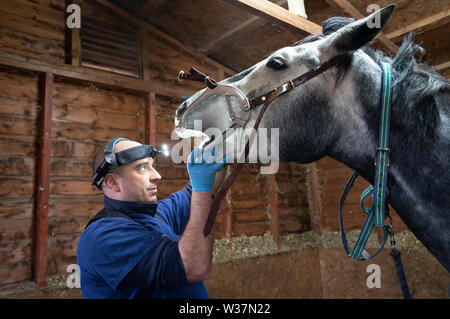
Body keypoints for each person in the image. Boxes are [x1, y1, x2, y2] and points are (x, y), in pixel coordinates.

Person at [76, 137, 227, 298]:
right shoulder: (103, 235)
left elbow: (207, 185)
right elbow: (193, 268)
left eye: (152, 166)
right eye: (142, 168)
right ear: (112, 182)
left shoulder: (156, 214)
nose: (157, 175)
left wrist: (222, 148)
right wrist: (201, 186)